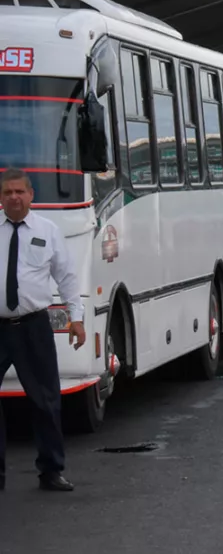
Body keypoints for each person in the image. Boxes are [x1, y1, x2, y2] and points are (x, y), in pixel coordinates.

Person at [0, 168, 84, 491]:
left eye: (20, 191)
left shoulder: (48, 231)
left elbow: (66, 277)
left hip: (33, 327)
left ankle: (51, 470)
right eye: (8, 192)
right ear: (1, 197)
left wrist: (76, 319)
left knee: (45, 401)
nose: (14, 197)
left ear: (31, 195)